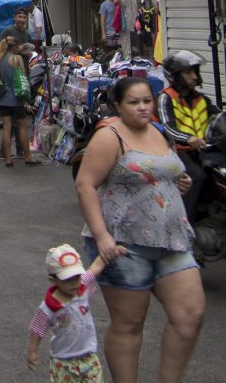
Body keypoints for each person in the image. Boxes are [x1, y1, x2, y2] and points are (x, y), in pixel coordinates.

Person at [75, 77, 204, 383]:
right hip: (123, 245)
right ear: (118, 106)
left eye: (147, 100)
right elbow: (85, 184)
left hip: (172, 240)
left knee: (190, 315)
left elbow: (164, 172)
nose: (143, 107)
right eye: (134, 102)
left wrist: (180, 182)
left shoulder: (159, 132)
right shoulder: (110, 136)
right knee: (129, 325)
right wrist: (102, 236)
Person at [27, 243, 125, 381]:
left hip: (89, 356)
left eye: (77, 277)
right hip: (63, 361)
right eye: (68, 280)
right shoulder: (48, 307)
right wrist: (32, 351)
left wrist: (112, 252)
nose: (74, 283)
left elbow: (95, 267)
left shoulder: (82, 288)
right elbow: (37, 330)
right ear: (53, 281)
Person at [157, 50, 220, 224]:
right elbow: (167, 127)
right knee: (197, 176)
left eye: (195, 72)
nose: (194, 76)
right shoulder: (165, 98)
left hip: (202, 150)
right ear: (175, 75)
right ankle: (184, 225)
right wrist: (189, 138)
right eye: (188, 72)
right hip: (178, 150)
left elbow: (219, 118)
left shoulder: (201, 99)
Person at [0, 35, 40, 167]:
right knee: (22, 126)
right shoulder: (17, 58)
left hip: (2, 97)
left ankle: (8, 159)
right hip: (15, 97)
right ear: (15, 47)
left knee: (6, 127)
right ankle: (28, 157)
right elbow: (24, 77)